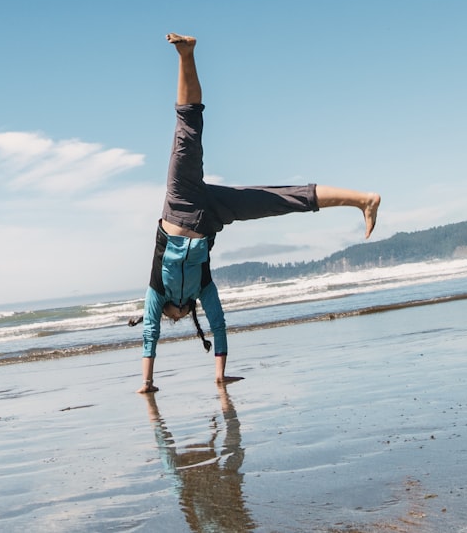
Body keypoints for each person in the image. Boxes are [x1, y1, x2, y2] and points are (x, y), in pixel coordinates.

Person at [136, 33, 381, 393]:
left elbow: (149, 333)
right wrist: (219, 377)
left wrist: (147, 383)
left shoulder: (158, 291)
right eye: (175, 318)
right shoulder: (200, 290)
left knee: (188, 130)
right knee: (279, 199)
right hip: (208, 218)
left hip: (181, 204)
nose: (170, 318)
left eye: (171, 318)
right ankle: (363, 200)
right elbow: (217, 325)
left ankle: (186, 55)